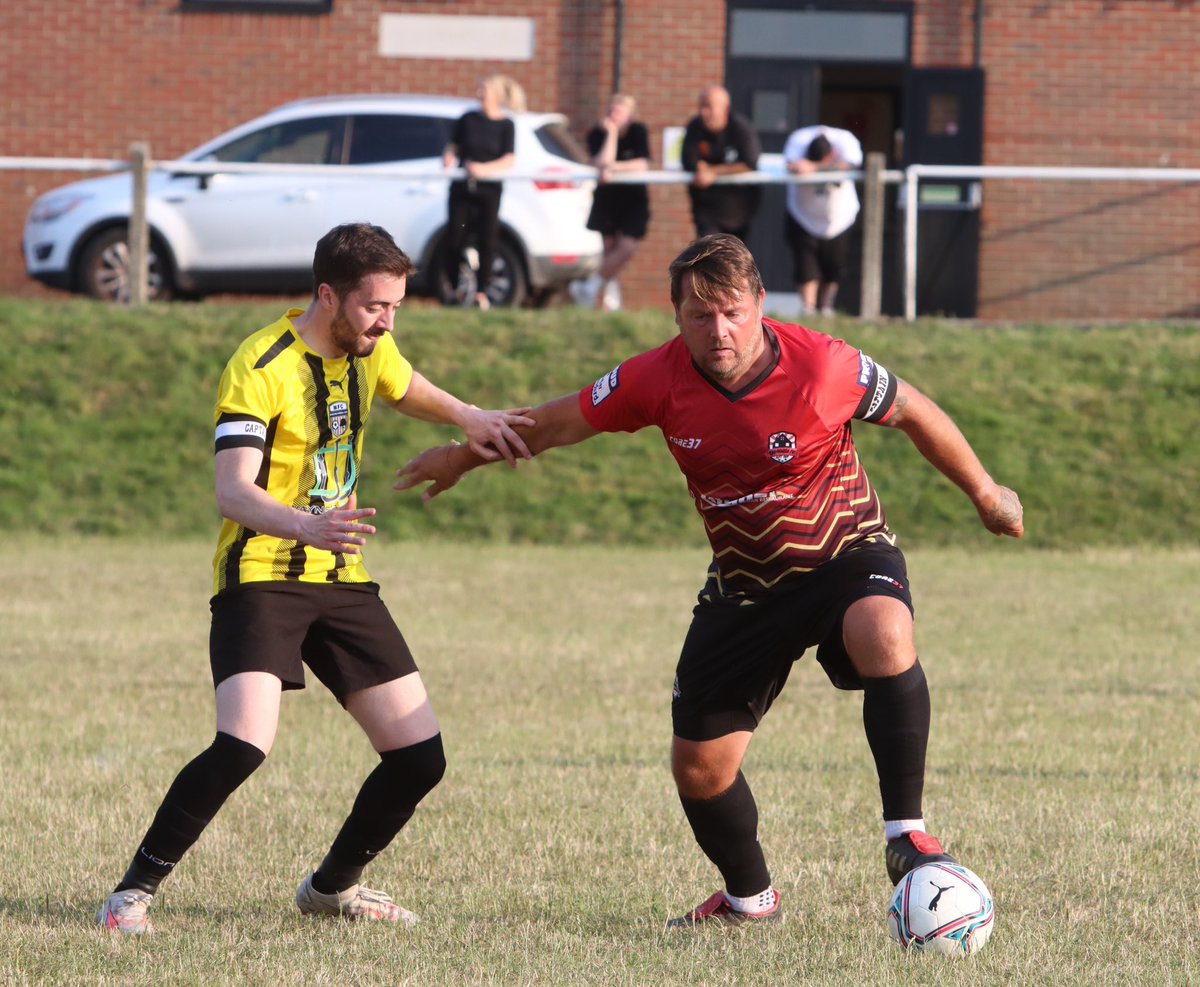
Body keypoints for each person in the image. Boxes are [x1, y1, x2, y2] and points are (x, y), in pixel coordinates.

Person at [396, 233, 1024, 929]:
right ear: (676, 318)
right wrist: (462, 456)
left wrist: (986, 491)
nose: (718, 330)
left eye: (730, 311)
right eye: (699, 315)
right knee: (699, 769)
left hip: (845, 553)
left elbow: (912, 409)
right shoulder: (654, 378)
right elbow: (557, 422)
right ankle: (749, 900)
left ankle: (906, 833)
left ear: (759, 303)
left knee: (883, 628)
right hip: (746, 586)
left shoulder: (823, 365)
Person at [95, 223, 534, 935]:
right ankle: (130, 895)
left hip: (341, 572)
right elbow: (233, 491)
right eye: (375, 307)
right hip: (262, 571)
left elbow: (401, 382)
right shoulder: (260, 363)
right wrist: (306, 525)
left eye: (396, 306)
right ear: (327, 294)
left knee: (420, 757)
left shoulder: (369, 343)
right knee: (243, 743)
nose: (387, 321)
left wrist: (467, 416)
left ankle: (331, 889)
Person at [442, 74, 525, 311]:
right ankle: (456, 287)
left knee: (487, 239)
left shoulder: (506, 125)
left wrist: (483, 170)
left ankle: (481, 292)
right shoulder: (468, 119)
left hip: (489, 190)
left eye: (484, 89)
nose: (480, 93)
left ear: (497, 95)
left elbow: (509, 159)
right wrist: (449, 157)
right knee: (455, 238)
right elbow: (454, 145)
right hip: (462, 188)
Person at [575, 93, 651, 312]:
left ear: (630, 114)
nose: (613, 114)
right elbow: (601, 162)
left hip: (633, 199)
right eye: (610, 109)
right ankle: (610, 302)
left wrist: (614, 168)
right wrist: (612, 134)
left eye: (619, 110)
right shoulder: (598, 134)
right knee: (609, 250)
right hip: (607, 199)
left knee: (626, 248)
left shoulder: (638, 131)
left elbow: (642, 163)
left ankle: (590, 286)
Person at [782, 125, 864, 316]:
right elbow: (791, 165)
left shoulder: (845, 140)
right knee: (805, 262)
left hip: (838, 218)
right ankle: (808, 308)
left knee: (833, 264)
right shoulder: (798, 140)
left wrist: (817, 168)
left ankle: (826, 307)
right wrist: (804, 167)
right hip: (803, 214)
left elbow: (853, 163)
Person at [680, 86, 762, 243]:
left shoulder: (740, 128)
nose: (704, 112)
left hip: (739, 210)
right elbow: (688, 160)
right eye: (701, 106)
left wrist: (713, 172)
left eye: (709, 107)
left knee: (735, 259)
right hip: (706, 209)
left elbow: (750, 162)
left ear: (725, 109)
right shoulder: (694, 127)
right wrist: (698, 167)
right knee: (710, 252)